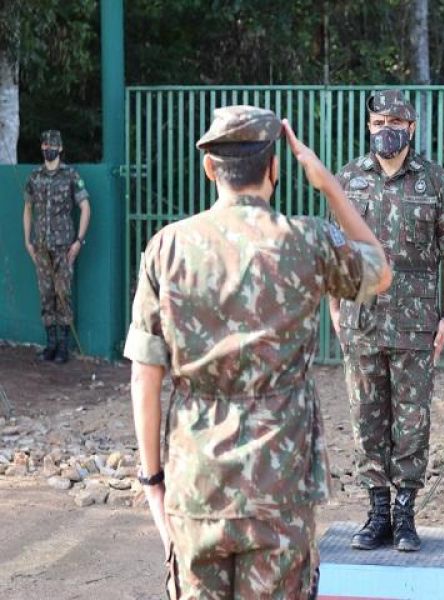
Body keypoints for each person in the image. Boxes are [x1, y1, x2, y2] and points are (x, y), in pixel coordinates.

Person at [123, 105, 391, 599]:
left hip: (197, 484)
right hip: (280, 490)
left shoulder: (167, 247)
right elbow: (380, 269)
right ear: (275, 168)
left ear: (209, 168)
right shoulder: (307, 240)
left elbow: (145, 375)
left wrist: (153, 481)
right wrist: (329, 184)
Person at [329, 90, 444, 552]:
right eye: (376, 122)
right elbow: (336, 248)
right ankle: (378, 513)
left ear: (410, 127)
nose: (383, 130)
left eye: (392, 121)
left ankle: (406, 512)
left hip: (415, 325)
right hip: (361, 320)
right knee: (367, 419)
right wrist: (335, 306)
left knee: (411, 421)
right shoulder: (348, 179)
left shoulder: (436, 182)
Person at [23, 129, 91, 363]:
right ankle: (50, 344)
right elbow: (28, 208)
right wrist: (27, 241)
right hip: (41, 245)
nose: (47, 149)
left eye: (51, 146)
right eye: (44, 146)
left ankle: (63, 346)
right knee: (46, 294)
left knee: (63, 293)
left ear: (60, 148)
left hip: (64, 246)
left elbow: (85, 208)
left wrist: (78, 242)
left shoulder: (71, 175)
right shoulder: (35, 176)